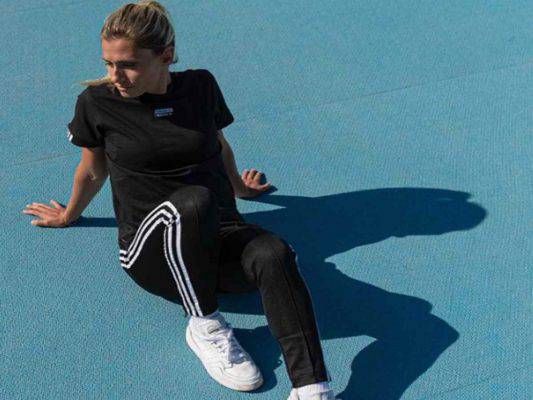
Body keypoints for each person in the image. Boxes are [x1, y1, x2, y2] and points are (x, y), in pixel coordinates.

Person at [22, 2, 336, 399]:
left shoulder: (200, 86)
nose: (115, 76)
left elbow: (217, 143)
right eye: (109, 64)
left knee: (274, 251)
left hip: (217, 238)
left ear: (166, 55)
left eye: (128, 65)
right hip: (152, 253)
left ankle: (312, 387)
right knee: (195, 201)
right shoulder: (98, 102)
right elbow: (93, 170)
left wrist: (239, 188)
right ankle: (205, 324)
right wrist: (69, 214)